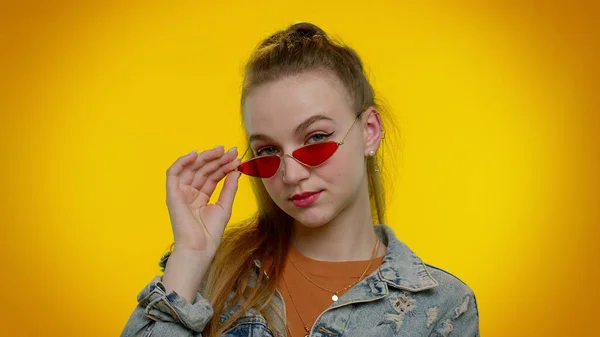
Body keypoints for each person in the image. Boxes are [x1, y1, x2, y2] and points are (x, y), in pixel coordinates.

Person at [121, 22, 479, 337]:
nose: (291, 174)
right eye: (267, 152)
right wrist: (190, 256)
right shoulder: (211, 275)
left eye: (316, 139)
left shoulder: (444, 306)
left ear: (369, 131)